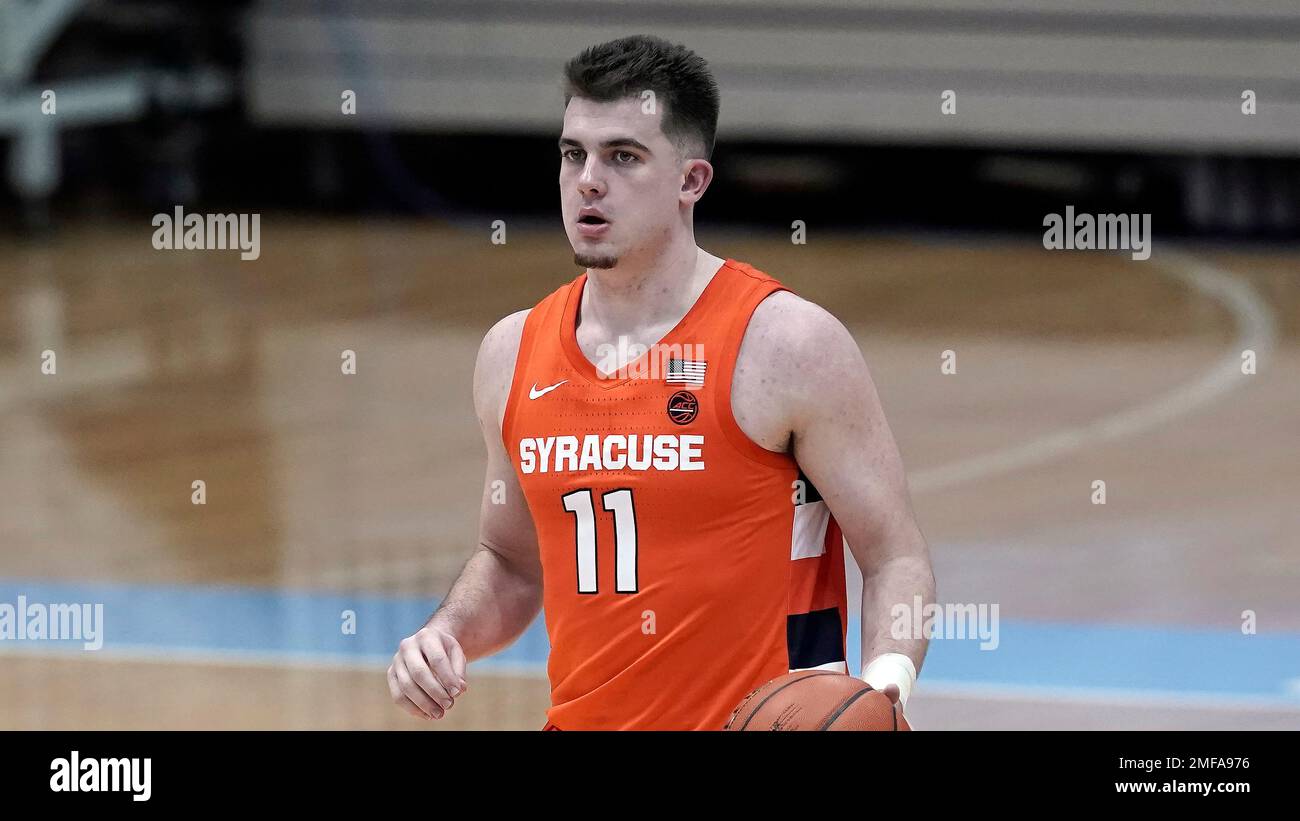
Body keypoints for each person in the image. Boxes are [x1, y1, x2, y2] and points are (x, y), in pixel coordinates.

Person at [388, 34, 935, 730]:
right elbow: (513, 562)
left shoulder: (787, 344)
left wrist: (884, 690)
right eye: (572, 154)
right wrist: (445, 636)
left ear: (691, 181)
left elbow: (895, 555)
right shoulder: (511, 352)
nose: (588, 179)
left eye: (623, 156)